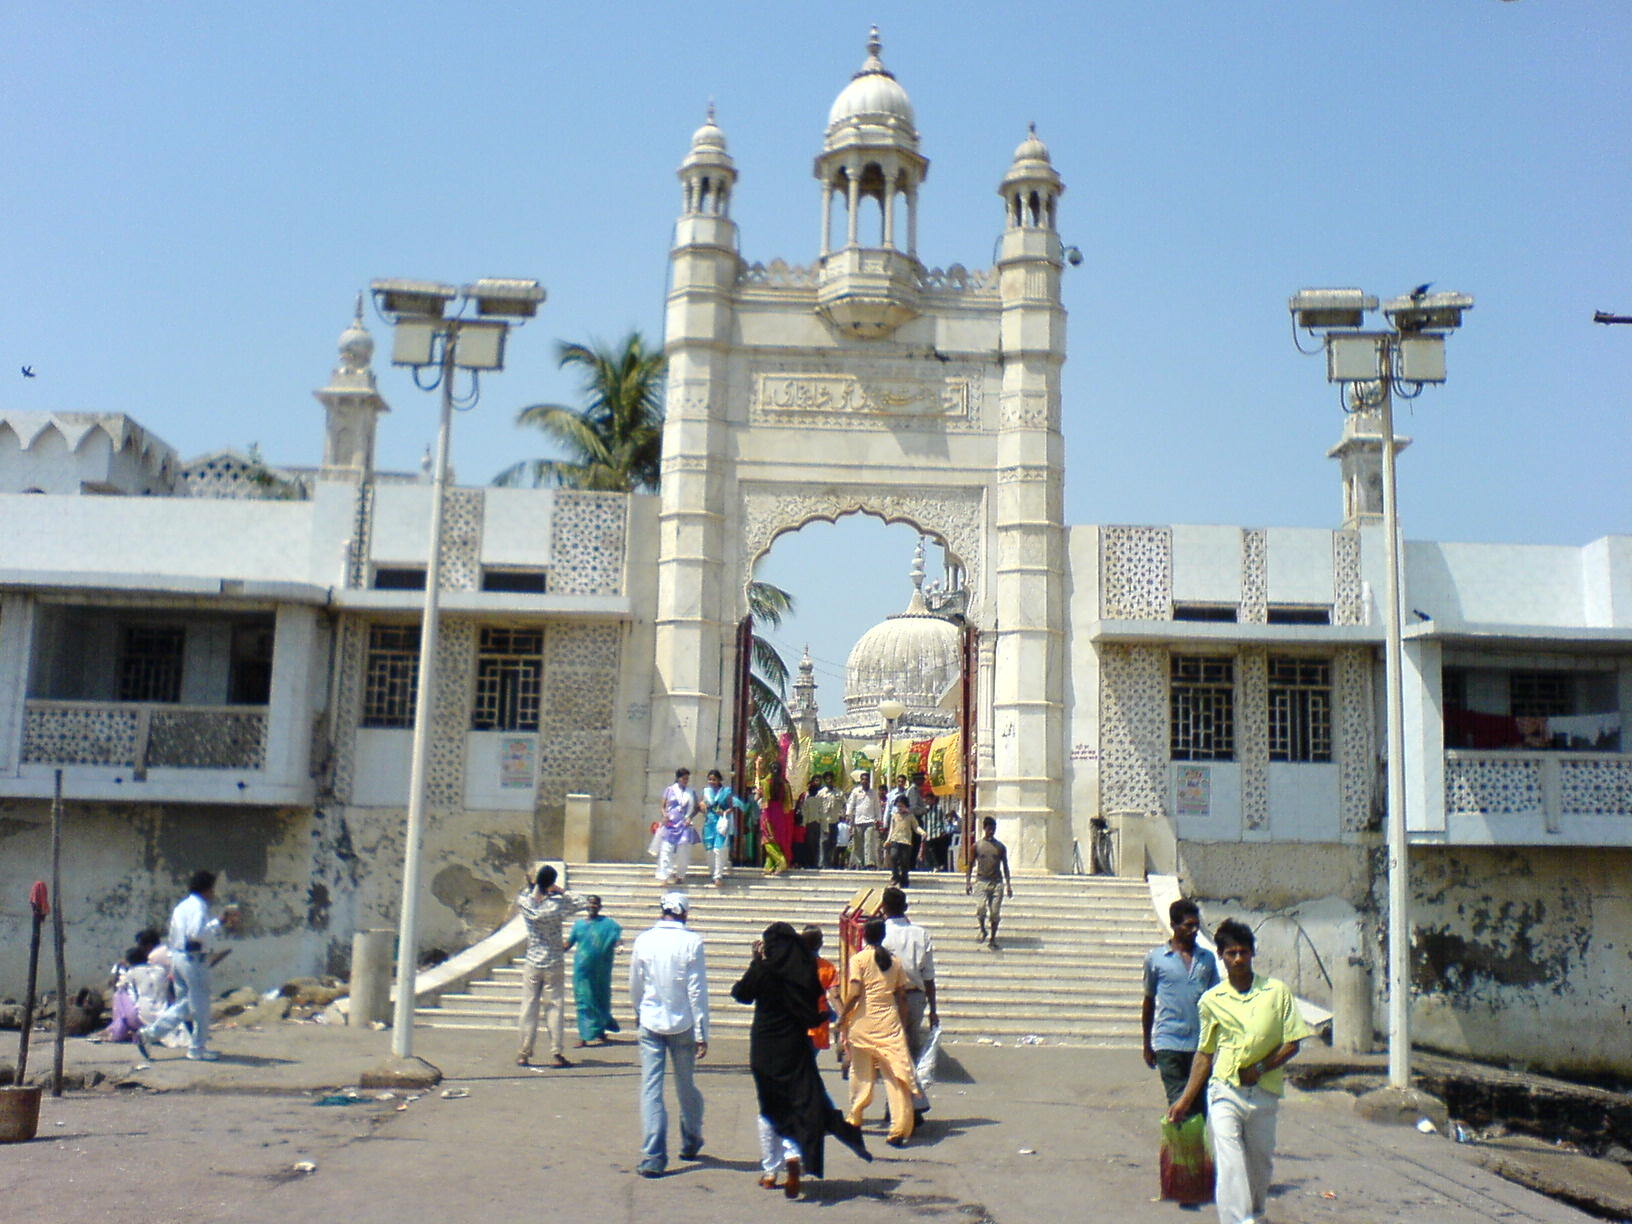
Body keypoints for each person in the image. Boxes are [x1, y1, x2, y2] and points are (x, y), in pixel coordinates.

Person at [1167, 919, 1310, 1224]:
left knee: (1259, 1164)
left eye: (1243, 952)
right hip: (1225, 1090)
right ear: (1220, 955)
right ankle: (1235, 1220)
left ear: (1252, 954)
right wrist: (1184, 1099)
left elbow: (1293, 1041)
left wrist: (1261, 1067)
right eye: (1230, 953)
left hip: (1264, 1093)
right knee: (1229, 1162)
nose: (1237, 959)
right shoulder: (1212, 1000)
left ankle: (1255, 1214)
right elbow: (1205, 1054)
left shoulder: (1275, 991)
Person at [732, 923, 871, 1196]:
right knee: (795, 1101)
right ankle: (793, 1154)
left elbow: (741, 994)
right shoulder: (805, 970)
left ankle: (771, 1170)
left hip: (764, 1047)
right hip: (796, 1045)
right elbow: (812, 1010)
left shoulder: (765, 970)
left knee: (769, 1104)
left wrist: (755, 962)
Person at [629, 891, 709, 1178]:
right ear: (684, 913)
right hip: (683, 1022)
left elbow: (635, 983)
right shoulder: (692, 942)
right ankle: (691, 1138)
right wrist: (702, 1031)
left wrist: (639, 1009)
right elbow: (696, 990)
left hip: (650, 1020)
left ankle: (653, 1156)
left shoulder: (644, 939)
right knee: (686, 1085)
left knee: (651, 1088)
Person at [135, 870, 240, 1062]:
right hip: (194, 959)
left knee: (186, 1005)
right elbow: (196, 934)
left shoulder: (182, 906)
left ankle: (150, 1034)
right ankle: (196, 1048)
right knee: (200, 1006)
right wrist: (217, 925)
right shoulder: (199, 907)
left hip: (177, 957)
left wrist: (219, 922)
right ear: (207, 889)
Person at [839, 918, 920, 1147]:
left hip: (863, 1022)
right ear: (883, 935)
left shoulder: (859, 959)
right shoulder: (894, 962)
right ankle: (899, 1128)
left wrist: (843, 1018)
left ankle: (855, 1116)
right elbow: (902, 998)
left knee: (861, 1071)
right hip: (889, 1022)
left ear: (864, 935)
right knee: (896, 1076)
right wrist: (902, 1026)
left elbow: (854, 993)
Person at [1142, 898, 1219, 1116]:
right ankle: (1179, 1149)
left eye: (1197, 925)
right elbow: (1148, 1001)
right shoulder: (1156, 959)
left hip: (1200, 1046)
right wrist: (1147, 1044)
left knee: (1199, 1105)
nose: (1194, 930)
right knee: (1178, 1103)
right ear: (1174, 926)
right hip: (1169, 1043)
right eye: (1188, 925)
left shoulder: (1207, 959)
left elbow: (1217, 1000)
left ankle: (1195, 1149)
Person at [512, 864, 588, 1067]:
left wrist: (534, 887)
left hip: (533, 960)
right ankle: (556, 1051)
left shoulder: (524, 902)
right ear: (552, 882)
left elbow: (527, 894)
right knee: (554, 1006)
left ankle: (523, 1052)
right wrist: (561, 891)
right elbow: (584, 902)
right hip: (554, 960)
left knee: (528, 1007)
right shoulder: (557, 904)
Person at [878, 885, 937, 1117]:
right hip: (915, 998)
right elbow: (929, 976)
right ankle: (908, 1102)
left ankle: (901, 1104)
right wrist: (933, 1010)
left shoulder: (879, 933)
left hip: (887, 999)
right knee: (908, 1051)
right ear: (905, 907)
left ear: (883, 908)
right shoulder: (920, 934)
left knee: (891, 1053)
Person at [565, 893, 623, 1047]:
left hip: (601, 972)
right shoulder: (579, 925)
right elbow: (568, 943)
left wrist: (619, 945)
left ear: (600, 907)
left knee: (601, 1000)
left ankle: (601, 1031)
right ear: (585, 906)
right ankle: (584, 1036)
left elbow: (616, 938)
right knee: (584, 1001)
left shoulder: (608, 924)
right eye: (589, 904)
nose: (592, 907)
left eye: (595, 904)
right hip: (582, 971)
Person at [964, 816, 1014, 948]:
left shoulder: (1000, 847)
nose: (991, 831)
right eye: (989, 829)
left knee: (995, 912)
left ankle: (993, 938)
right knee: (981, 908)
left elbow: (1005, 866)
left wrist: (1008, 885)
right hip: (981, 881)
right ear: (984, 828)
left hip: (996, 882)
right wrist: (968, 882)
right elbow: (969, 864)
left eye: (993, 829)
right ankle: (982, 928)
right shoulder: (977, 846)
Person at [656, 768, 700, 885]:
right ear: (678, 778)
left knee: (683, 851)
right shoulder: (670, 790)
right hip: (670, 824)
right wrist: (665, 815)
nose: (685, 781)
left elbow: (696, 808)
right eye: (683, 778)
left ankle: (680, 875)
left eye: (687, 778)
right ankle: (664, 876)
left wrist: (690, 817)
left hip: (684, 824)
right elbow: (663, 806)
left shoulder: (691, 792)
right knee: (666, 849)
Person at [802, 925, 840, 1055]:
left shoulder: (791, 964)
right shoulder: (827, 967)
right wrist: (843, 1015)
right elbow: (834, 995)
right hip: (818, 1021)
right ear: (820, 944)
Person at [701, 769, 737, 887]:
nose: (712, 782)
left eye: (714, 779)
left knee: (719, 849)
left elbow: (732, 807)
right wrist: (702, 807)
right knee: (709, 850)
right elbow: (702, 806)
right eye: (710, 779)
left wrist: (724, 812)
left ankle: (718, 876)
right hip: (709, 823)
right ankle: (713, 873)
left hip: (721, 823)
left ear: (719, 780)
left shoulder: (726, 792)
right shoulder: (706, 792)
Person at [883, 794, 923, 889]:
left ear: (906, 805)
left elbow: (916, 827)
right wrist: (888, 840)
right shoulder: (894, 816)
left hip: (906, 842)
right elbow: (891, 830)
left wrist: (922, 832)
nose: (899, 808)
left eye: (901, 806)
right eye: (898, 806)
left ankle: (904, 879)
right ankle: (895, 876)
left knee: (905, 861)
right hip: (895, 840)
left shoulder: (910, 817)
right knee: (893, 856)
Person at [846, 771, 879, 869]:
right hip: (858, 820)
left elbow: (877, 807)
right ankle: (859, 862)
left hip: (870, 820)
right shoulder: (856, 791)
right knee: (858, 843)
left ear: (869, 781)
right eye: (863, 779)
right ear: (860, 781)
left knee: (869, 842)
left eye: (866, 780)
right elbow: (851, 803)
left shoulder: (873, 793)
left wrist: (878, 819)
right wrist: (848, 814)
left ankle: (869, 862)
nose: (865, 781)